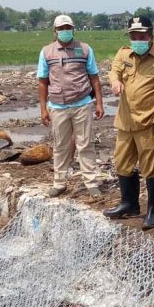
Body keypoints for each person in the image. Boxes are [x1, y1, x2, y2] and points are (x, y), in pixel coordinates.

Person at [105, 16, 154, 229]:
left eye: (142, 36)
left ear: (151, 37)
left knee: (150, 168)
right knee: (122, 163)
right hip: (125, 122)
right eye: (133, 36)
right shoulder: (123, 53)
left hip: (149, 121)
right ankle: (129, 203)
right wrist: (115, 82)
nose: (137, 40)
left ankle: (153, 211)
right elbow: (114, 71)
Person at [38, 14, 104, 198]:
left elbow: (95, 78)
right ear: (55, 31)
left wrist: (99, 102)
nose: (65, 31)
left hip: (82, 103)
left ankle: (91, 182)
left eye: (68, 28)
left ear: (73, 29)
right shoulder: (47, 52)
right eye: (61, 28)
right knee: (60, 145)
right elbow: (42, 82)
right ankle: (59, 183)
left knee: (85, 144)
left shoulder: (84, 50)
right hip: (58, 106)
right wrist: (43, 109)